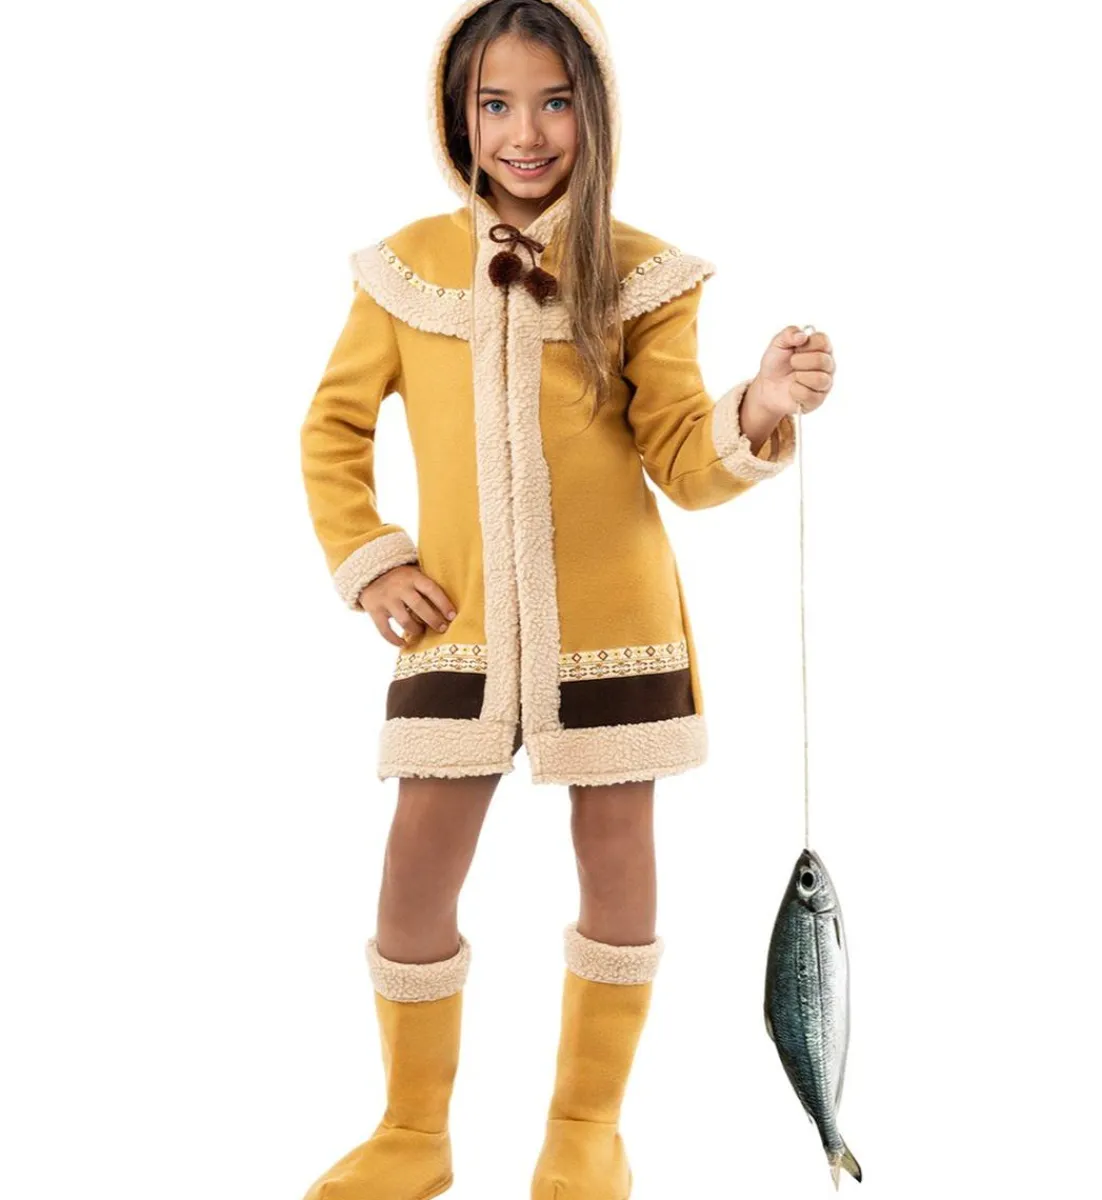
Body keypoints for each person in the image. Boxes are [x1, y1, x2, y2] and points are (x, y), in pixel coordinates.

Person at [297, 1, 836, 1196]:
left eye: (554, 103)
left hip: (612, 629)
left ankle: (587, 1124)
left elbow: (683, 457)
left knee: (618, 858)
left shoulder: (642, 275)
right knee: (416, 866)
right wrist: (372, 557)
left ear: (595, 110)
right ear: (459, 114)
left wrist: (758, 407)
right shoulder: (404, 272)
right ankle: (413, 1129)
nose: (526, 133)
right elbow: (332, 429)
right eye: (496, 103)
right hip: (460, 623)